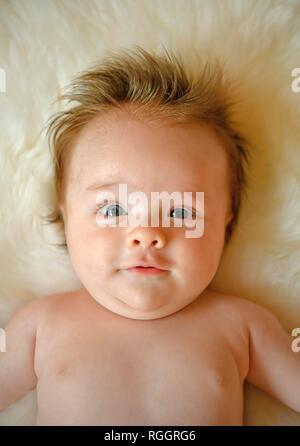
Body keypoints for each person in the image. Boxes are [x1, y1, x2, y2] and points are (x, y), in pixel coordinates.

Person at [0, 46, 299, 425]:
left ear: (226, 221)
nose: (146, 234)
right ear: (66, 214)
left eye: (180, 211)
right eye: (113, 209)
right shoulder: (40, 325)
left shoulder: (243, 326)